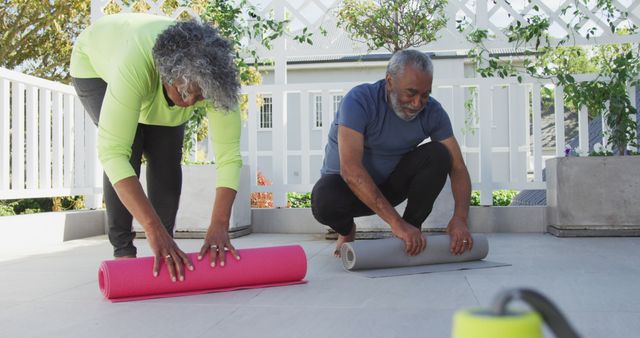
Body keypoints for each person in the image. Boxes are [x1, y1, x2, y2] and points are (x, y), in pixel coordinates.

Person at [70, 13, 242, 282]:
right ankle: (123, 252)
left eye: (200, 96)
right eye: (185, 93)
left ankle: (166, 247)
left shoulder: (216, 78)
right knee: (129, 150)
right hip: (97, 67)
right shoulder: (136, 61)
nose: (190, 102)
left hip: (155, 74)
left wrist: (220, 224)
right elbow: (113, 153)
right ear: (166, 75)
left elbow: (229, 156)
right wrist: (152, 228)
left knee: (166, 158)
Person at [311, 49, 473, 257]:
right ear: (389, 82)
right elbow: (351, 170)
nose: (417, 104)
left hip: (390, 187)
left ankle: (411, 230)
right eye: (410, 93)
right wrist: (395, 223)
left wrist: (459, 218)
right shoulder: (359, 100)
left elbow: (458, 167)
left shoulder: (433, 112)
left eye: (425, 95)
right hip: (346, 189)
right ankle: (347, 230)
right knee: (323, 200)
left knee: (439, 154)